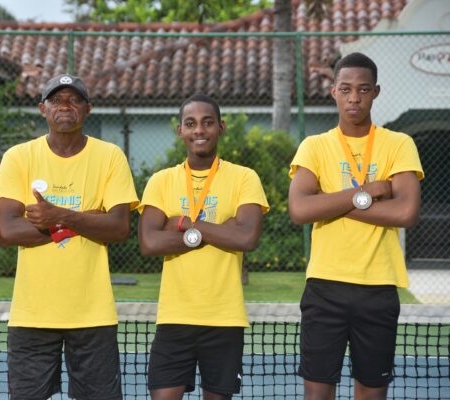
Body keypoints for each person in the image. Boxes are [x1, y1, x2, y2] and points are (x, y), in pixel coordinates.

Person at [0, 73, 139, 400]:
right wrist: (85, 220)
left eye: (74, 100)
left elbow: (119, 228)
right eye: (57, 100)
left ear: (88, 109)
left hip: (93, 312)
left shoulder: (110, 156)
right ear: (43, 108)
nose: (65, 106)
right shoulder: (19, 157)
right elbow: (7, 231)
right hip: (32, 313)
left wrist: (57, 216)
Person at [288, 52, 424, 400]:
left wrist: (331, 202)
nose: (354, 98)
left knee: (371, 392)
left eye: (363, 89)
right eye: (346, 89)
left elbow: (406, 212)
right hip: (324, 287)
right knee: (318, 394)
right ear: (333, 91)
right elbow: (300, 209)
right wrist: (367, 194)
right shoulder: (314, 146)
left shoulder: (399, 143)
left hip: (378, 288)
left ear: (376, 92)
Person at [138, 94, 269, 400]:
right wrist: (222, 230)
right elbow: (149, 242)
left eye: (208, 122)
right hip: (174, 318)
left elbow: (246, 238)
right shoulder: (160, 181)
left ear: (221, 127)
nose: (200, 130)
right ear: (179, 130)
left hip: (224, 319)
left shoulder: (244, 178)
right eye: (191, 123)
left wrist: (183, 223)